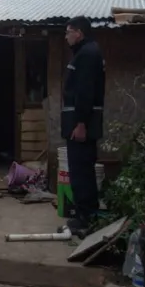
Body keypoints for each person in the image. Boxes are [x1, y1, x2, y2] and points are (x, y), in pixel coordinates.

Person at [61, 16, 105, 235]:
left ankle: (85, 218)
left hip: (81, 126)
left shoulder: (87, 55)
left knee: (81, 171)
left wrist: (80, 123)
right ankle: (84, 215)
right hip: (78, 124)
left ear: (79, 32)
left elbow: (85, 93)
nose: (66, 36)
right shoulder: (84, 53)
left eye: (68, 32)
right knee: (80, 169)